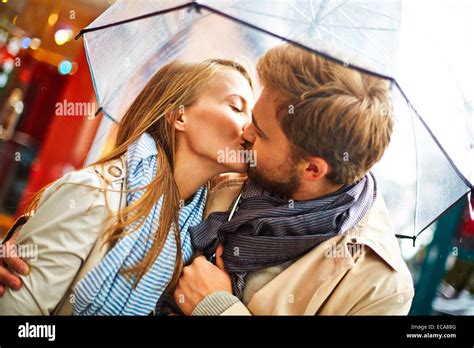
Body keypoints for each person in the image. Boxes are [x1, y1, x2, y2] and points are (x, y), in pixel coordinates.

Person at [171, 44, 415, 315]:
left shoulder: (379, 288)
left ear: (312, 169)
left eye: (262, 134)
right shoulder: (225, 170)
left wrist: (218, 309)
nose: (246, 133)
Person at [0, 58, 254, 315]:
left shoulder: (200, 233)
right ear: (179, 116)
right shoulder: (92, 195)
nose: (251, 128)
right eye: (236, 107)